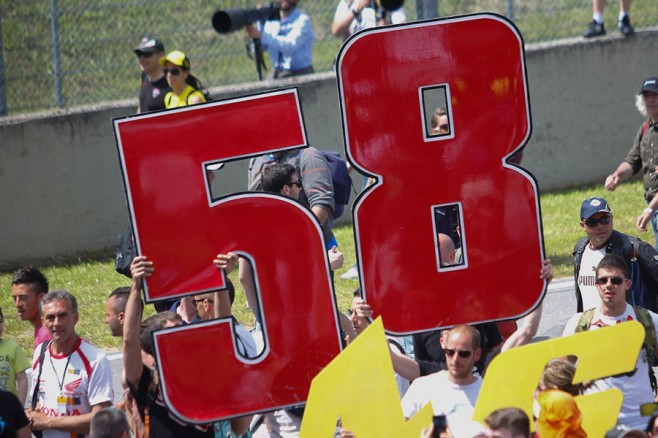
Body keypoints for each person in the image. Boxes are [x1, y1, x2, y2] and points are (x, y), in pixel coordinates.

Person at [125, 256, 251, 437]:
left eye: (183, 327)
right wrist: (136, 286)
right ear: (157, 345)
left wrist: (220, 277)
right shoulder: (147, 384)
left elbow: (223, 331)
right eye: (174, 331)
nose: (182, 333)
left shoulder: (204, 377)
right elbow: (129, 340)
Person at [563, 254, 658, 430]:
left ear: (627, 284)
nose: (609, 285)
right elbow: (562, 374)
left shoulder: (648, 320)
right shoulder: (579, 323)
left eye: (616, 280)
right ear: (596, 285)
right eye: (603, 280)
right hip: (596, 423)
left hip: (642, 422)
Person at [28, 289, 114, 436]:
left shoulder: (96, 360)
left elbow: (102, 421)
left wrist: (48, 421)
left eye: (62, 315)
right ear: (43, 322)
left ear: (75, 317)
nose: (56, 323)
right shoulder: (39, 354)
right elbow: (40, 402)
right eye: (50, 317)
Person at [573, 197, 658, 312]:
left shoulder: (634, 248)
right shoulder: (580, 250)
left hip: (628, 326)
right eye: (592, 222)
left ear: (612, 219)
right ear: (583, 225)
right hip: (593, 328)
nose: (600, 226)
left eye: (604, 219)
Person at [401, 325, 486, 438]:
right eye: (450, 352)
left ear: (477, 354)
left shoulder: (489, 392)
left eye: (463, 354)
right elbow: (397, 431)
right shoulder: (421, 387)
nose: (455, 359)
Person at [606, 77, 658, 246]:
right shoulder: (645, 129)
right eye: (646, 96)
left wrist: (650, 210)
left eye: (655, 95)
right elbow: (633, 161)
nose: (650, 100)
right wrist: (617, 176)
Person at [245, 0, 314, 79]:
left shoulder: (302, 20)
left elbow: (289, 46)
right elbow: (261, 48)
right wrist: (257, 23)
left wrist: (261, 35)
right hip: (277, 72)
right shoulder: (271, 21)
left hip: (300, 72)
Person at [11, 266, 51, 347]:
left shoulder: (49, 334)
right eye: (15, 298)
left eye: (23, 297)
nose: (17, 304)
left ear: (41, 298)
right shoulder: (41, 329)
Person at [331, 0, 406, 42]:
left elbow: (402, 30)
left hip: (383, 54)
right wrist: (355, 11)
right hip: (357, 55)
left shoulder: (389, 3)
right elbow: (336, 31)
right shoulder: (348, 3)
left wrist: (387, 29)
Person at [0, 307, 30, 405]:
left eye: (0, 321)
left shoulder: (13, 348)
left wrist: (19, 408)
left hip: (8, 408)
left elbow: (22, 379)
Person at [134, 36, 170, 113]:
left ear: (161, 55)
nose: (142, 59)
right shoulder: (145, 75)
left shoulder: (171, 79)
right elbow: (142, 105)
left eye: (147, 54)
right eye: (139, 54)